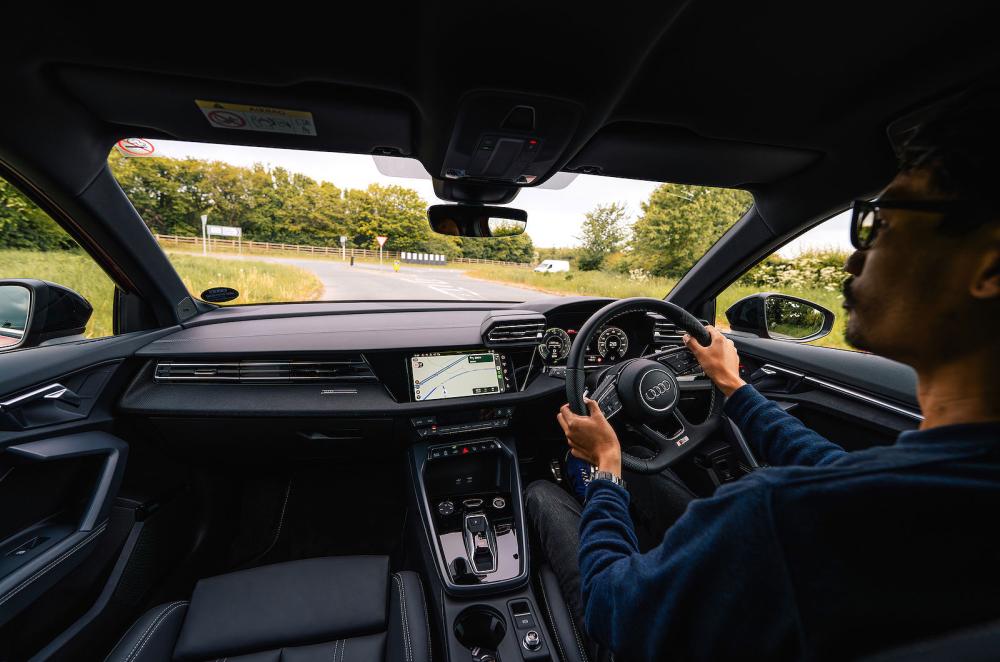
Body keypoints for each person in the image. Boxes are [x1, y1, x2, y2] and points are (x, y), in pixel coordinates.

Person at [525, 88, 1000, 661]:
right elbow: (840, 470)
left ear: (990, 265)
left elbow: (612, 608)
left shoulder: (781, 520)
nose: (853, 257)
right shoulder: (941, 491)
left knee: (542, 494)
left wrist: (603, 468)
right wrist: (734, 387)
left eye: (883, 225)